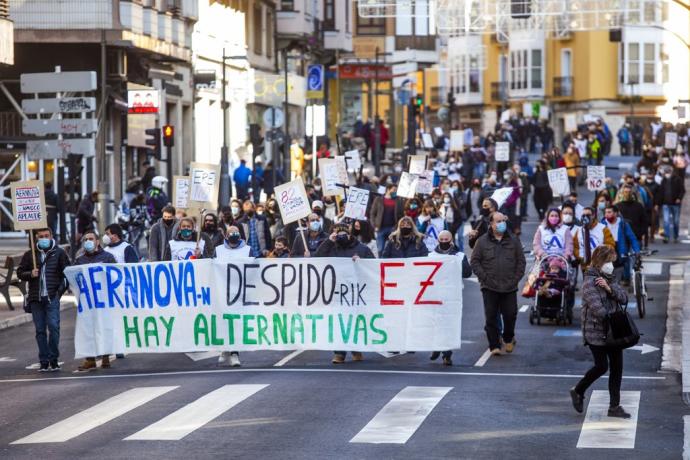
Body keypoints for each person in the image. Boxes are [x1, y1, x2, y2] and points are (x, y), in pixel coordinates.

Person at [570, 245, 631, 419]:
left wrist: (609, 288)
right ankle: (578, 390)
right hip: (595, 331)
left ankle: (614, 406)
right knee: (602, 366)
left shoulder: (609, 278)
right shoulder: (589, 282)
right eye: (609, 261)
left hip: (613, 331)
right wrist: (607, 294)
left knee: (617, 368)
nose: (612, 265)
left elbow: (624, 298)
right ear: (600, 261)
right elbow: (598, 310)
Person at [315, 222, 375, 364]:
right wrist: (329, 241)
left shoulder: (361, 248)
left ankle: (356, 349)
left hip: (356, 292)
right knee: (338, 322)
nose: (341, 236)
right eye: (337, 234)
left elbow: (374, 266)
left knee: (354, 320)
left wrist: (362, 262)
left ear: (349, 234)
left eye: (343, 233)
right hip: (336, 291)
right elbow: (317, 257)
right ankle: (339, 353)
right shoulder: (330, 247)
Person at [470, 212, 526, 356]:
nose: (502, 223)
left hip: (509, 286)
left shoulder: (513, 240)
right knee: (491, 317)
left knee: (510, 314)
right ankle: (494, 344)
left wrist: (515, 279)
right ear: (491, 224)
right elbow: (475, 261)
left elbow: (521, 262)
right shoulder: (482, 241)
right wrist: (484, 278)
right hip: (490, 286)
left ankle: (508, 337)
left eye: (503, 220)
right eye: (498, 221)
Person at [17, 228, 71, 372]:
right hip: (36, 299)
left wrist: (58, 293)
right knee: (40, 330)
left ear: (51, 236)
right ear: (36, 238)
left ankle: (54, 359)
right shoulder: (30, 255)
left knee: (54, 328)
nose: (44, 238)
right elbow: (20, 273)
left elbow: (67, 274)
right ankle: (44, 361)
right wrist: (30, 273)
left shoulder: (59, 253)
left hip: (52, 297)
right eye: (41, 236)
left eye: (46, 236)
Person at [74, 231, 117, 371]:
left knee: (104, 327)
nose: (88, 241)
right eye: (86, 239)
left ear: (97, 242)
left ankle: (105, 357)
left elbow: (116, 276)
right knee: (88, 329)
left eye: (91, 239)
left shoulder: (108, 257)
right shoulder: (79, 260)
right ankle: (90, 359)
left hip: (104, 300)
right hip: (87, 302)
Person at [429, 230, 472, 366]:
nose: (444, 242)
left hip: (452, 296)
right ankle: (437, 346)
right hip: (434, 295)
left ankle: (447, 354)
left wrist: (455, 259)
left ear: (451, 240)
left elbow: (467, 273)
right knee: (435, 323)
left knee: (448, 325)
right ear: (438, 240)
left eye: (446, 239)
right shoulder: (431, 256)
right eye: (441, 239)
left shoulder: (459, 255)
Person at [216, 225, 255, 367]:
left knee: (236, 323)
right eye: (231, 232)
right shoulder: (218, 250)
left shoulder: (248, 250)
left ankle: (234, 353)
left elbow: (256, 268)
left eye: (236, 232)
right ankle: (226, 348)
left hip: (241, 292)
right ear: (226, 236)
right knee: (225, 321)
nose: (234, 234)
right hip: (223, 292)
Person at [603, 205, 640, 286]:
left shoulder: (623, 224)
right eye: (605, 212)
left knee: (623, 265)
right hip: (607, 250)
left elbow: (632, 238)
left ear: (616, 213)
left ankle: (625, 279)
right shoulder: (602, 224)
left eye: (609, 212)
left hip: (620, 249)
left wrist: (637, 250)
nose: (606, 214)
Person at [371, 183, 404, 253]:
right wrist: (374, 226)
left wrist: (397, 226)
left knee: (394, 249)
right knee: (380, 249)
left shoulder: (398, 201)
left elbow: (401, 215)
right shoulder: (378, 199)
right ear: (388, 189)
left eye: (396, 190)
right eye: (394, 190)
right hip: (380, 228)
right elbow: (372, 214)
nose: (395, 192)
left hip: (393, 228)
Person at [657, 166, 685, 243]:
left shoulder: (677, 179)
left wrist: (679, 198)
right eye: (665, 172)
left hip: (675, 204)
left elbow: (682, 190)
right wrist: (658, 203)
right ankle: (667, 236)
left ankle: (675, 236)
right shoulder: (664, 180)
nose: (666, 174)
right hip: (665, 203)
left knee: (676, 221)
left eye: (668, 172)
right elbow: (661, 192)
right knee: (666, 221)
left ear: (671, 172)